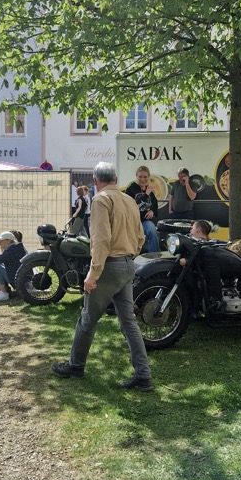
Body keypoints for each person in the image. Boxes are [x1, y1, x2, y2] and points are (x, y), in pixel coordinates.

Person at [51, 161, 153, 391]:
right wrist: (129, 255)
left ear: (96, 181)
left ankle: (76, 366)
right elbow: (141, 237)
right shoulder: (129, 200)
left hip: (108, 267)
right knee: (129, 323)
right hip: (128, 264)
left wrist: (92, 274)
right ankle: (143, 375)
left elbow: (101, 241)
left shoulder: (100, 200)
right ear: (115, 180)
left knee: (87, 319)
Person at [124, 165, 160, 253]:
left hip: (145, 221)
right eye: (140, 176)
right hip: (133, 222)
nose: (143, 179)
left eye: (145, 177)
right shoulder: (130, 189)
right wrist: (146, 194)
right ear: (136, 176)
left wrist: (152, 211)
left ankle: (154, 256)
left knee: (152, 231)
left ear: (148, 177)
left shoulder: (149, 189)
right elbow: (134, 206)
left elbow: (155, 205)